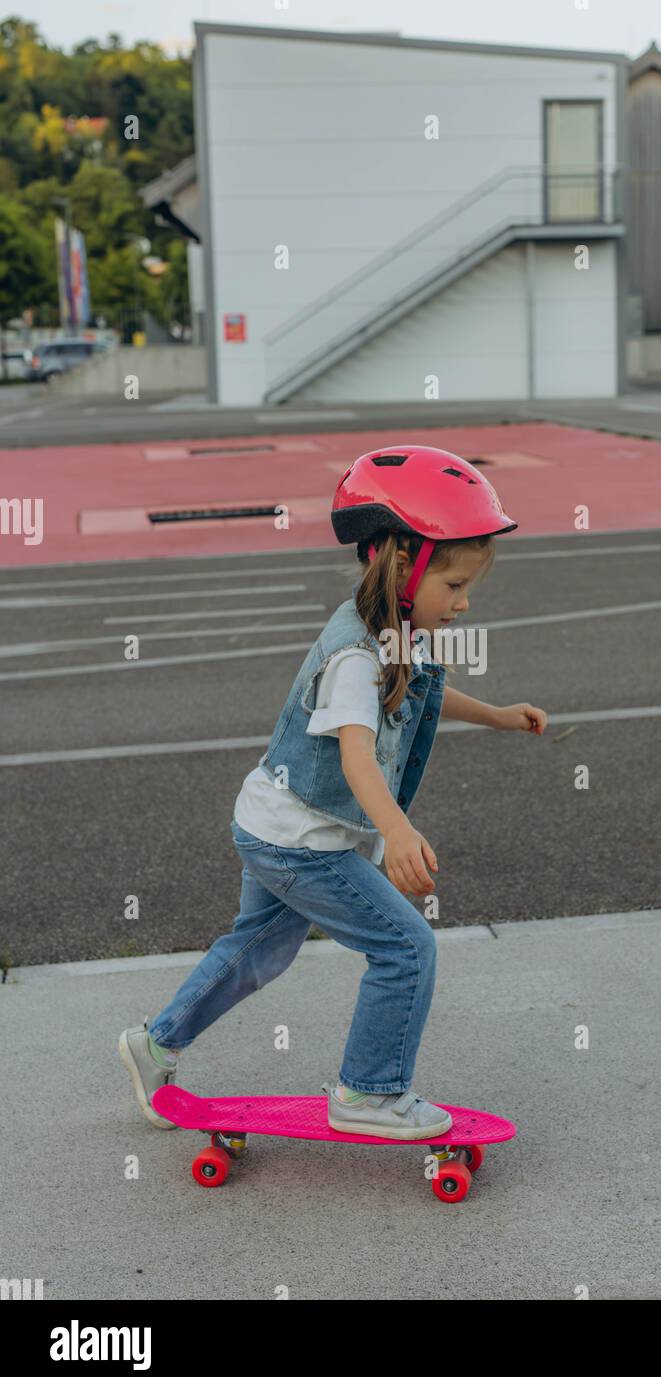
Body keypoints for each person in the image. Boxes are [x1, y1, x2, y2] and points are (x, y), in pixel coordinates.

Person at [119, 445, 548, 1140]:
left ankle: (155, 1043)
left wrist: (497, 715)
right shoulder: (355, 655)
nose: (465, 602)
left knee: (257, 950)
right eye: (457, 585)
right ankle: (369, 1095)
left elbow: (420, 692)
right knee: (406, 949)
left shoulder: (393, 629)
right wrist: (398, 832)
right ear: (403, 563)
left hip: (270, 822)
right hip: (301, 844)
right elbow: (356, 756)